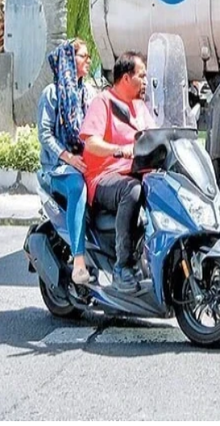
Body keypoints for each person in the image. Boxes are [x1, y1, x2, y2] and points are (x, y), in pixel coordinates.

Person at [79, 51, 155, 293]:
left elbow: (155, 135)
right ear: (125, 78)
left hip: (137, 172)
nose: (145, 81)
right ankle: (123, 267)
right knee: (131, 191)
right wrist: (120, 150)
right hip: (104, 177)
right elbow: (91, 143)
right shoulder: (103, 102)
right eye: (141, 76)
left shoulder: (140, 107)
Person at [37, 40, 97, 285]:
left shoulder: (88, 92)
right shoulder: (51, 94)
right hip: (58, 167)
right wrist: (69, 157)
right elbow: (45, 134)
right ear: (69, 61)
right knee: (77, 187)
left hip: (87, 161)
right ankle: (79, 262)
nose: (88, 60)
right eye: (83, 56)